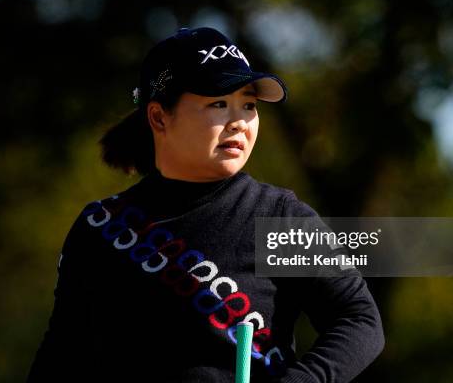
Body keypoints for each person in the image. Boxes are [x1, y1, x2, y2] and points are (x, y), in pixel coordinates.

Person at [27, 27, 384, 382]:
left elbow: (358, 321)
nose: (239, 123)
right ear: (158, 117)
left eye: (248, 105)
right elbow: (62, 355)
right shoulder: (101, 228)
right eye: (218, 104)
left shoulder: (281, 218)